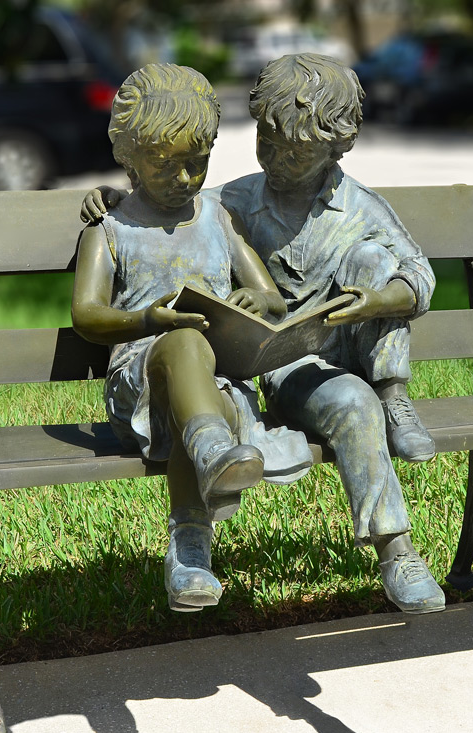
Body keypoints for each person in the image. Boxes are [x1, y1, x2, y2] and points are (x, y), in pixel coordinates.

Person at [83, 54, 445, 614]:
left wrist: (375, 301)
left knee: (355, 398)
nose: (276, 159)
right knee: (191, 379)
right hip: (227, 365)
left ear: (335, 149)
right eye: (266, 143)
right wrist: (113, 197)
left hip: (304, 362)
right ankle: (199, 527)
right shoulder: (234, 200)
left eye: (294, 152)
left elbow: (419, 275)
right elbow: (164, 196)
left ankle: (397, 551)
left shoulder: (360, 209)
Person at [72, 63, 309, 613]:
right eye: (163, 163)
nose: (183, 178)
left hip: (218, 382)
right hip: (142, 379)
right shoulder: (110, 230)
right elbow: (87, 314)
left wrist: (258, 301)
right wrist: (148, 321)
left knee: (200, 391)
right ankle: (214, 454)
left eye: (196, 163)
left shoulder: (218, 220)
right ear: (127, 159)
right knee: (181, 346)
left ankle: (190, 559)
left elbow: (271, 297)